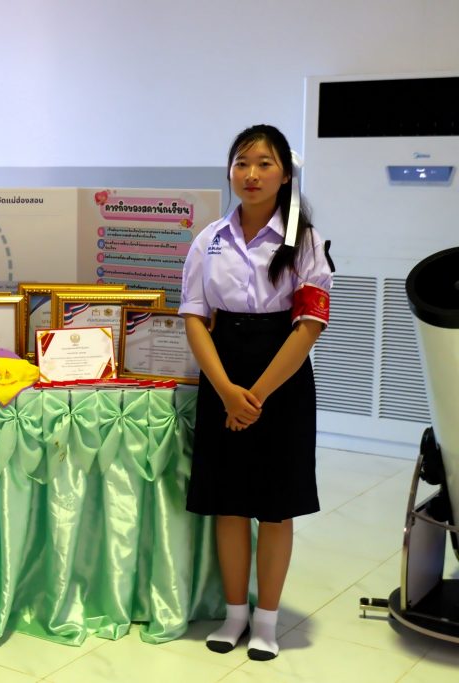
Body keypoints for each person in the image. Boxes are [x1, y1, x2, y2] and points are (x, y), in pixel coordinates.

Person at [179, 124, 333, 661]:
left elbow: (309, 326)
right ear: (230, 171)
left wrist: (257, 395)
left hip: (281, 377)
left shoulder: (305, 242)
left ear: (285, 175)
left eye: (265, 164)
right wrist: (226, 391)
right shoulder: (209, 239)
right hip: (222, 370)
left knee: (274, 507)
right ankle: (234, 616)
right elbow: (195, 317)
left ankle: (266, 620)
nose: (251, 174)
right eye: (242, 162)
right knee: (228, 504)